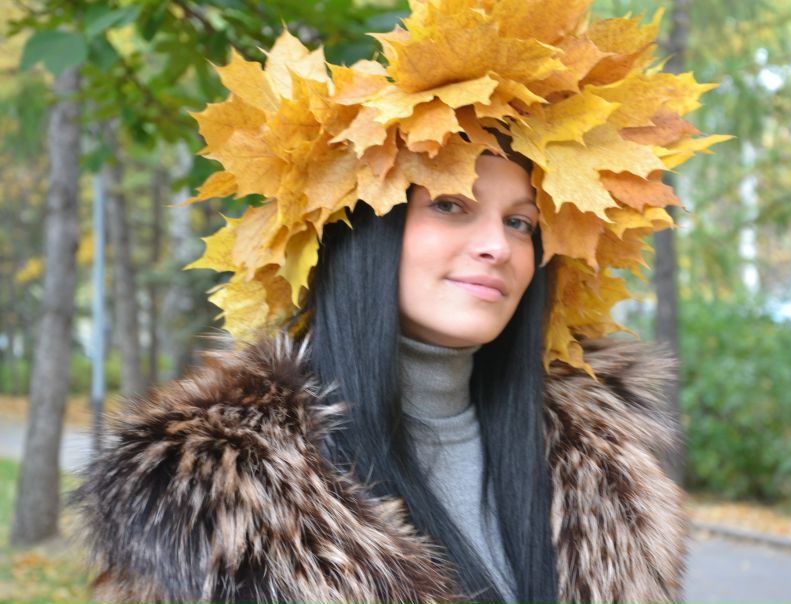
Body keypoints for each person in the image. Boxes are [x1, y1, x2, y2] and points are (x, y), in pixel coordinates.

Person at [74, 1, 724, 602]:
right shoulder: (215, 504)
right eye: (451, 204)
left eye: (520, 223)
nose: (497, 246)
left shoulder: (602, 474)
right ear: (366, 232)